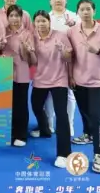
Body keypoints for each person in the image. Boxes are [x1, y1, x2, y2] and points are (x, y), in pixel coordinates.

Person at [67, 0, 100, 174]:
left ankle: (99, 155)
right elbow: (70, 57)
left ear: (94, 11)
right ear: (78, 13)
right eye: (82, 9)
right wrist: (70, 76)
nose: (85, 12)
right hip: (79, 80)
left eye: (88, 9)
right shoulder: (72, 32)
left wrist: (97, 51)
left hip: (99, 81)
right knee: (85, 113)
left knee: (96, 117)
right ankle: (88, 135)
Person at [29, 10, 73, 168]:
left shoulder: (60, 35)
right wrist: (29, 51)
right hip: (41, 79)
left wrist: (63, 52)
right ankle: (45, 129)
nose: (41, 24)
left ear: (49, 21)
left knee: (61, 115)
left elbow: (69, 58)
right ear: (34, 23)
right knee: (35, 105)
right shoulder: (33, 37)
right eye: (38, 21)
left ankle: (64, 154)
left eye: (44, 21)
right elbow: (33, 62)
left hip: (59, 79)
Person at [44, 0, 79, 138]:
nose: (57, 0)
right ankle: (49, 123)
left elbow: (82, 35)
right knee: (49, 93)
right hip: (49, 60)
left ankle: (69, 124)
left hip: (69, 59)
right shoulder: (46, 17)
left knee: (69, 92)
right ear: (50, 2)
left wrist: (74, 26)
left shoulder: (75, 17)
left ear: (66, 0)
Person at [1, 5, 34, 147]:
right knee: (7, 104)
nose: (14, 19)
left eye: (17, 16)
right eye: (11, 16)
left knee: (21, 104)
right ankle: (9, 131)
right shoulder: (3, 31)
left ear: (22, 17)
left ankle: (21, 134)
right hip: (4, 73)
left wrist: (25, 49)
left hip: (21, 73)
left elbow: (29, 60)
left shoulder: (27, 34)